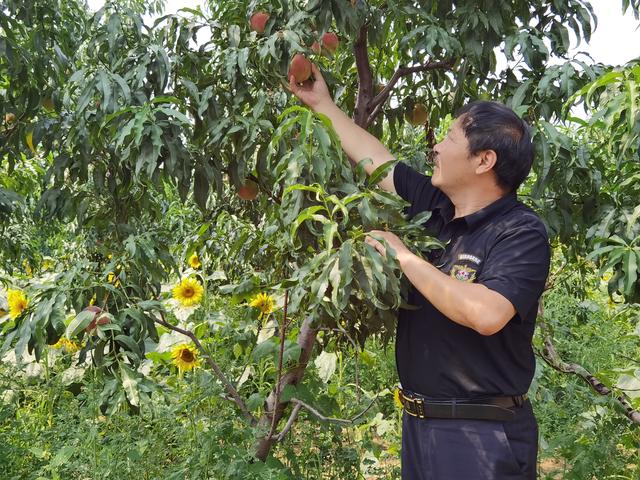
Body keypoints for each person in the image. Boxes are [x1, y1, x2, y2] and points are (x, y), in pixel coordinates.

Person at [289, 64, 550, 480]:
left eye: (448, 139)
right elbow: (375, 158)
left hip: (480, 433)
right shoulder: (434, 208)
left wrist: (405, 257)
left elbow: (486, 313)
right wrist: (323, 105)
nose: (437, 148)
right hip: (420, 426)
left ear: (484, 160)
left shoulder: (520, 232)